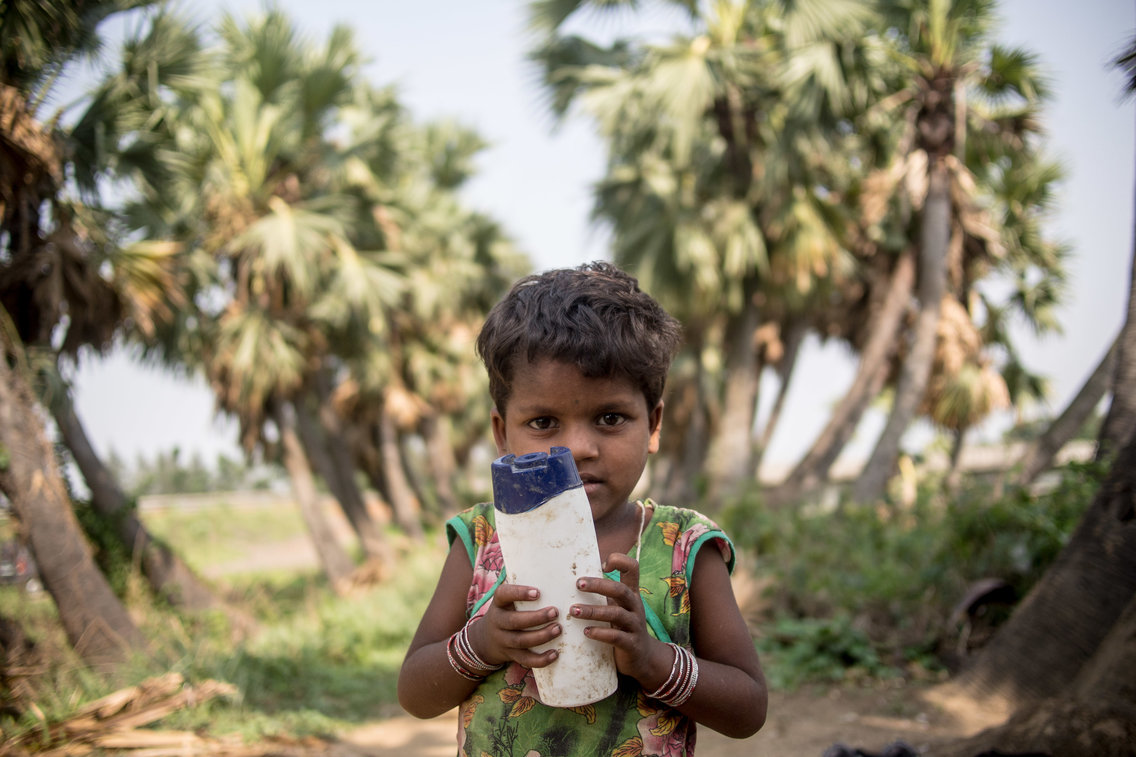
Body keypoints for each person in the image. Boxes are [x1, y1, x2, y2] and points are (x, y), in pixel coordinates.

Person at [398, 261, 767, 756]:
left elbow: (748, 709)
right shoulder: (483, 538)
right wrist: (483, 643)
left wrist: (652, 660)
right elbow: (415, 694)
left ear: (653, 425)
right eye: (544, 422)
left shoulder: (683, 548)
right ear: (502, 433)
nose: (577, 448)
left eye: (609, 418)